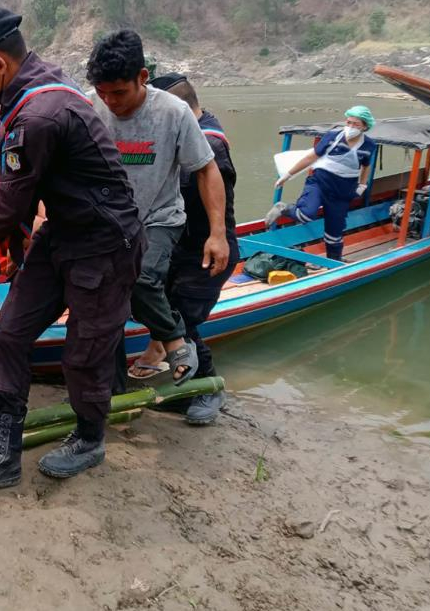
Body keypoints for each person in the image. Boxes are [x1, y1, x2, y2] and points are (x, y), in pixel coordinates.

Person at [0, 7, 144, 496]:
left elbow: (11, 197)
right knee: (10, 333)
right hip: (62, 233)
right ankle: (3, 452)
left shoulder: (38, 112)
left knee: (84, 352)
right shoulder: (37, 91)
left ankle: (91, 438)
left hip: (103, 243)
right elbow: (22, 192)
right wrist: (6, 254)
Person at [86, 31, 229, 389]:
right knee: (107, 308)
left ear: (143, 78)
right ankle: (112, 391)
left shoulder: (173, 112)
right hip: (108, 222)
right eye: (103, 92)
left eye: (119, 92)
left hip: (159, 218)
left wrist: (217, 234)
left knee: (142, 275)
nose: (111, 101)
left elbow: (207, 170)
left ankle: (175, 342)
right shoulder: (91, 105)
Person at [148, 73, 238, 424]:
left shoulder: (209, 144)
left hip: (204, 251)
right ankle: (185, 386)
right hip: (179, 247)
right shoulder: (191, 131)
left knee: (182, 321)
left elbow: (212, 202)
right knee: (164, 312)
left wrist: (216, 239)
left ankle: (208, 388)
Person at [265, 106, 376, 260]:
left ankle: (334, 262)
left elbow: (366, 166)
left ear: (365, 126)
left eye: (356, 124)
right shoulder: (333, 136)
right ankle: (283, 208)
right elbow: (311, 158)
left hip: (343, 191)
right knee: (305, 214)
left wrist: (362, 185)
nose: (350, 127)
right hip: (320, 183)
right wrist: (287, 175)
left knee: (335, 232)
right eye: (348, 122)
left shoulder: (369, 145)